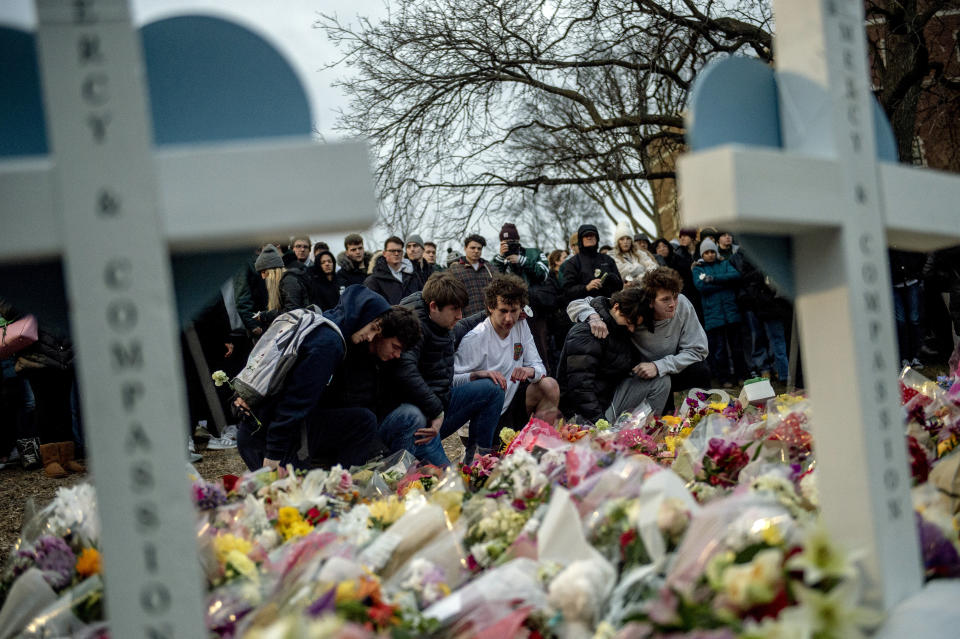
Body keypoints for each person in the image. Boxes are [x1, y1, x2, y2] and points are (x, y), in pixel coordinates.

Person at [235, 286, 394, 471]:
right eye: (373, 328)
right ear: (359, 315)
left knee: (363, 420)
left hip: (260, 426)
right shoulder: (329, 343)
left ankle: (341, 481)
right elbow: (294, 402)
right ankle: (340, 484)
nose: (371, 337)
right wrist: (274, 455)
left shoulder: (319, 324)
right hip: (267, 437)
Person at [379, 273, 505, 465]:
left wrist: (494, 314)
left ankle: (478, 464)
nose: (459, 315)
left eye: (461, 309)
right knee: (449, 484)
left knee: (492, 389)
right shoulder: (412, 325)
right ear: (433, 307)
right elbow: (404, 370)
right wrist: (436, 411)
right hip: (420, 420)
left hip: (439, 406)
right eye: (455, 309)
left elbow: (463, 324)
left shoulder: (439, 316)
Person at [568, 266, 710, 413]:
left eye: (675, 296)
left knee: (700, 369)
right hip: (642, 373)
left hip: (671, 365)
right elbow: (578, 303)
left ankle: (703, 414)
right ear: (650, 301)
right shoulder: (635, 308)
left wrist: (659, 366)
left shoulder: (683, 305)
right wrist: (593, 317)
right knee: (662, 403)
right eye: (665, 299)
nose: (673, 304)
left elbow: (698, 350)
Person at [454, 275, 560, 433]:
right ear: (491, 308)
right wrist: (477, 374)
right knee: (493, 456)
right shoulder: (475, 338)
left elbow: (540, 368)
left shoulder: (521, 325)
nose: (509, 318)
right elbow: (452, 383)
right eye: (503, 311)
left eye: (514, 311)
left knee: (549, 385)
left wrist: (529, 371)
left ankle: (541, 441)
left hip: (512, 401)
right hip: (482, 413)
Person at [558, 286, 670, 420]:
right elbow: (580, 388)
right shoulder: (589, 332)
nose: (631, 328)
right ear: (616, 307)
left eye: (636, 325)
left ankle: (642, 431)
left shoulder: (619, 329)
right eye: (629, 322)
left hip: (609, 397)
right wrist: (600, 423)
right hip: (587, 413)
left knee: (661, 380)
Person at [693, 238, 748, 387]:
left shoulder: (725, 263)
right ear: (702, 254)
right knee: (719, 350)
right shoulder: (698, 268)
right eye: (707, 252)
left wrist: (713, 279)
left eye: (712, 251)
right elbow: (701, 286)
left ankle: (741, 375)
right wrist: (724, 284)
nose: (710, 255)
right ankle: (724, 378)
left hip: (731, 313)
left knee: (737, 347)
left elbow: (735, 276)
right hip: (713, 315)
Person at [560, 223, 623, 303]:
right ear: (580, 240)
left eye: (592, 235)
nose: (589, 237)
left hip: (607, 303)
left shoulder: (607, 259)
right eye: (586, 236)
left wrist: (613, 279)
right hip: (583, 305)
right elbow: (567, 290)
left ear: (597, 238)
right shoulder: (572, 262)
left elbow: (620, 286)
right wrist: (586, 287)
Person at [447, 233, 495, 317]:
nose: (476, 251)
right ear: (465, 248)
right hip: (467, 318)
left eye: (479, 248)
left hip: (490, 317)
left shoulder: (490, 268)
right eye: (473, 248)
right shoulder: (454, 270)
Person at [364, 236, 419, 304]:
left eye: (399, 251)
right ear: (384, 253)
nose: (396, 254)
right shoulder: (373, 280)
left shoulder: (413, 275)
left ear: (402, 253)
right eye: (392, 251)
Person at [491, 223, 549, 287]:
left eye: (512, 241)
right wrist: (500, 259)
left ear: (518, 240)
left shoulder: (534, 253)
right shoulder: (498, 260)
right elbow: (493, 279)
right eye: (506, 242)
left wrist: (523, 261)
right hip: (510, 295)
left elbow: (544, 275)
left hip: (532, 295)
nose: (509, 245)